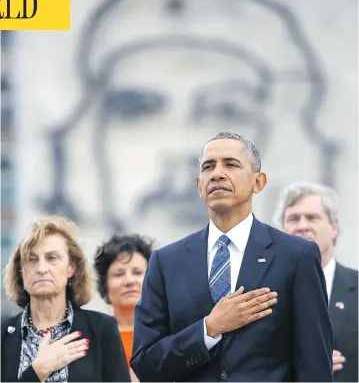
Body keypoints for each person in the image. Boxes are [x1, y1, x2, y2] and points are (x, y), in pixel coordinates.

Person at [130, 131, 333, 382]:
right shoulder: (166, 262)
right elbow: (145, 362)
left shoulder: (296, 256)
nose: (217, 173)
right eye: (208, 167)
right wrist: (209, 329)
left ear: (259, 182)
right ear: (199, 186)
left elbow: (314, 365)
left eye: (231, 164)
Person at [1, 215, 131, 382]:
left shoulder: (102, 329)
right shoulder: (3, 335)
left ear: (71, 268)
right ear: (21, 272)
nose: (41, 268)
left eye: (52, 258)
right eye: (32, 260)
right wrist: (38, 371)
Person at [274, 181, 358, 382]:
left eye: (312, 217)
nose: (303, 226)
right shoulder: (261, 290)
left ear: (334, 227)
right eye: (293, 219)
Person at [94, 234, 152, 381]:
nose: (129, 281)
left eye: (137, 272)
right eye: (119, 274)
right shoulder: (93, 340)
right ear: (105, 286)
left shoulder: (170, 336)